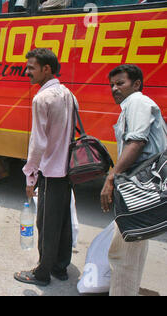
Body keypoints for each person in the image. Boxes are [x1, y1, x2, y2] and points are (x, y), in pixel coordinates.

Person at [100, 64, 167, 296]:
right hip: (143, 186)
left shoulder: (137, 101)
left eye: (120, 83)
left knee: (122, 252)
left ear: (136, 84)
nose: (114, 89)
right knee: (136, 241)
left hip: (137, 187)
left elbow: (136, 142)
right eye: (112, 85)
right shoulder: (135, 103)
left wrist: (111, 177)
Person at [14, 48, 76, 286]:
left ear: (46, 69)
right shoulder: (68, 93)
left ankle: (42, 273)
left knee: (46, 224)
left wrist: (30, 176)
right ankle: (60, 267)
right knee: (62, 220)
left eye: (31, 67)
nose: (27, 71)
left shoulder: (41, 98)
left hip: (51, 170)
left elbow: (38, 143)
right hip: (67, 168)